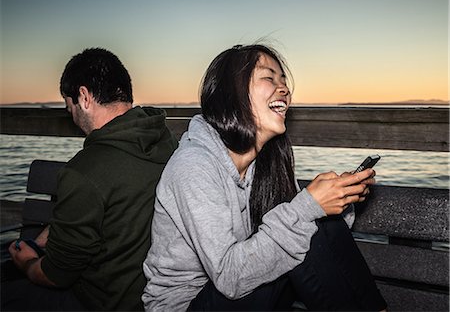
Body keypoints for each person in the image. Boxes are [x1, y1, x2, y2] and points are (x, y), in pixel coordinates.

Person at [142, 44, 387, 311]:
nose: (284, 89)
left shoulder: (269, 163)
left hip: (248, 291)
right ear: (231, 93)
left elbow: (312, 244)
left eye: (283, 80)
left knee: (310, 223)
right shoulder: (193, 165)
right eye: (269, 78)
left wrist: (341, 198)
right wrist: (310, 206)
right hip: (189, 303)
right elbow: (229, 277)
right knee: (303, 220)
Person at [2, 48, 178, 311]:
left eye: (68, 105)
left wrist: (28, 263)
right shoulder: (164, 142)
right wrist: (44, 240)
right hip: (155, 294)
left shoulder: (84, 171)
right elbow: (106, 208)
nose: (71, 115)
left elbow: (56, 276)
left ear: (84, 97)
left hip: (101, 301)